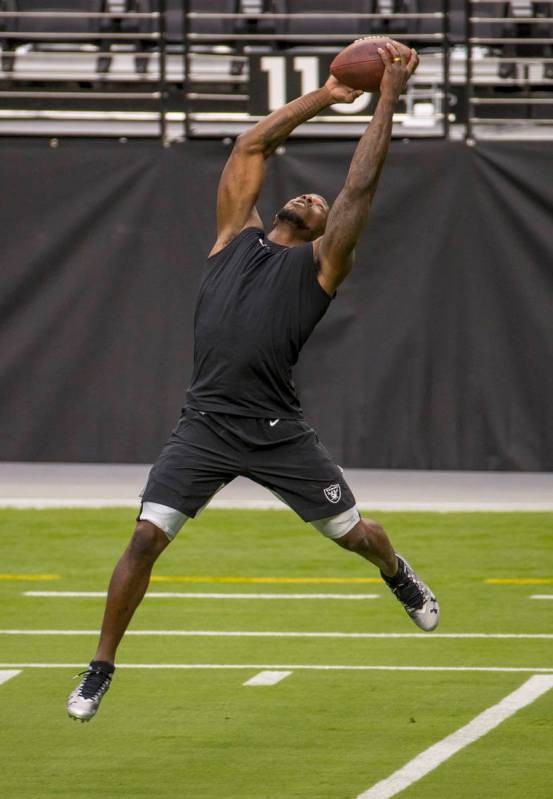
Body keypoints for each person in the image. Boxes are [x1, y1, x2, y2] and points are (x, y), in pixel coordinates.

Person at [67, 41, 438, 723]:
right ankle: (100, 666)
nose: (309, 196)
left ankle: (397, 573)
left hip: (275, 432)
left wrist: (386, 93)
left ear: (328, 230)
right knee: (145, 537)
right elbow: (250, 147)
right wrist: (327, 97)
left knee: (357, 535)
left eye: (318, 202)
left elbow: (359, 185)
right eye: (303, 192)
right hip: (204, 424)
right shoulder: (230, 239)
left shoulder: (324, 266)